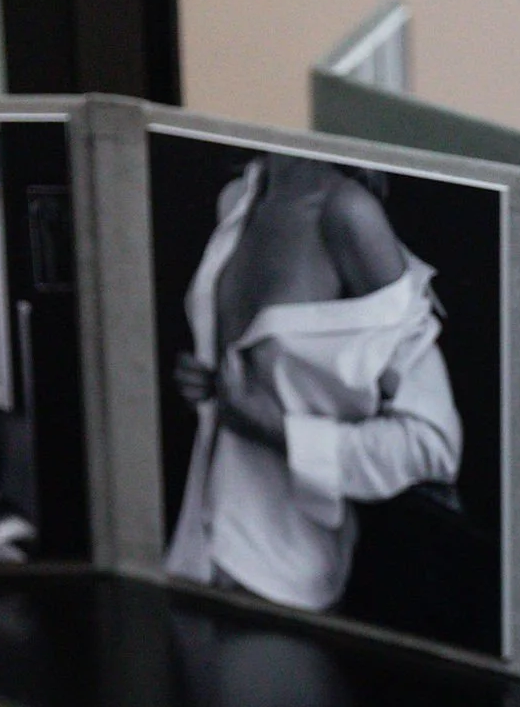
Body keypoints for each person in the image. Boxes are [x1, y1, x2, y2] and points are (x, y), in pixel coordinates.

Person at [164, 154, 462, 614]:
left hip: (285, 578)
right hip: (195, 555)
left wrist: (274, 429)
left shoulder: (348, 213)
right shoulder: (242, 194)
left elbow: (432, 445)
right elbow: (278, 375)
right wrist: (208, 388)